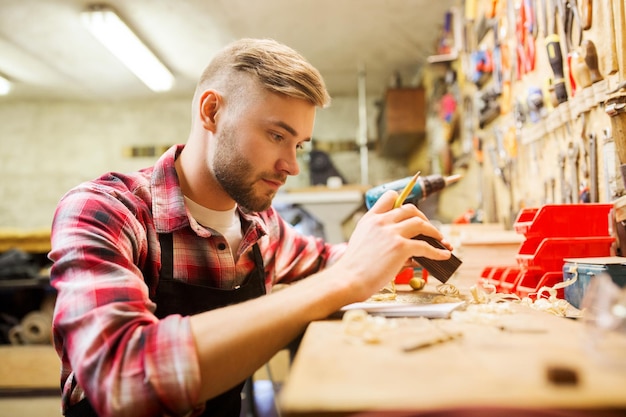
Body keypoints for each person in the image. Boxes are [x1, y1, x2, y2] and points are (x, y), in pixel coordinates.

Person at [48, 38, 452, 417]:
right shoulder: (106, 211)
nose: (292, 166)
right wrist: (345, 279)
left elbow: (330, 260)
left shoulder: (259, 226)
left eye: (299, 145)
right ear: (211, 112)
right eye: (277, 135)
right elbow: (119, 380)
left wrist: (394, 246)